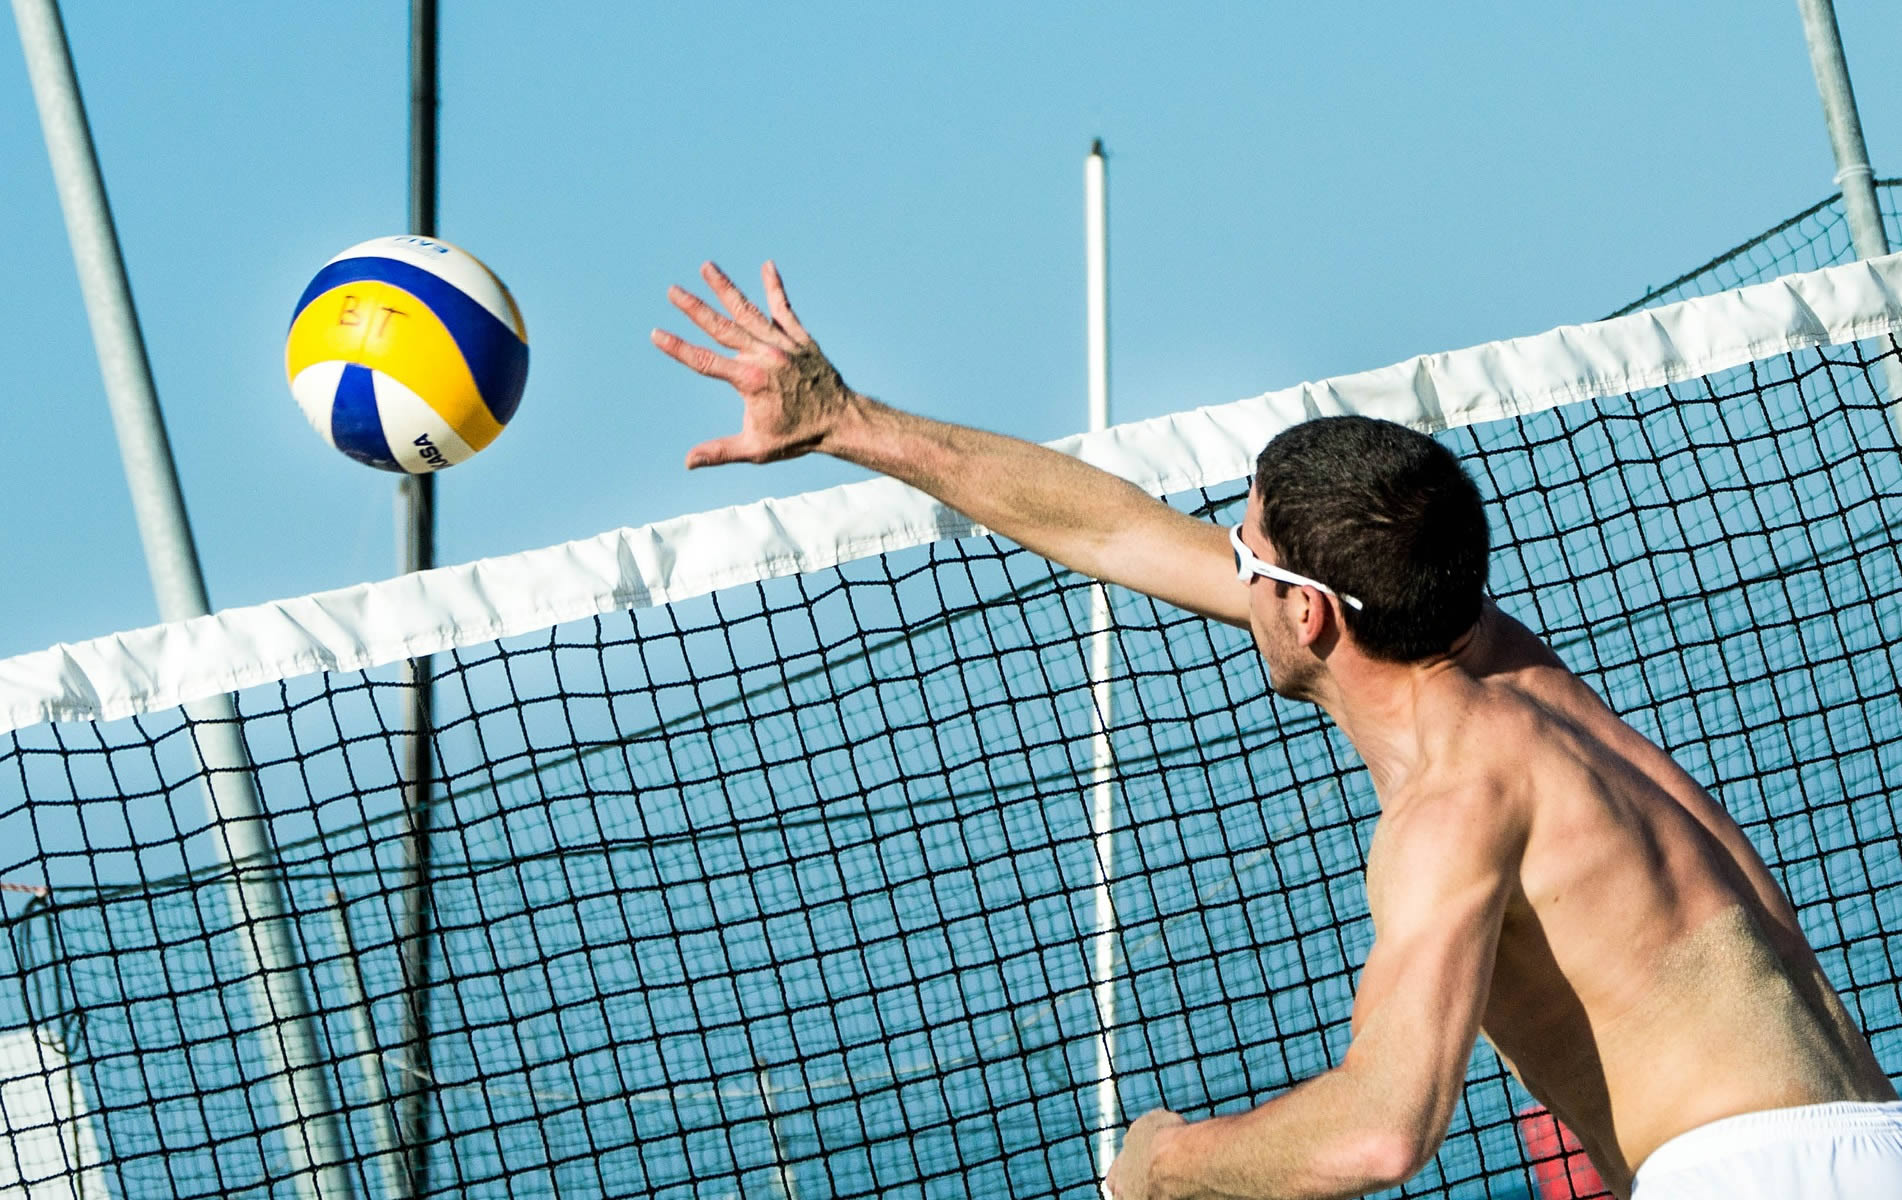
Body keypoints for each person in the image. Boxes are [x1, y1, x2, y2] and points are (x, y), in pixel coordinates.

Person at [651, 261, 1902, 1200]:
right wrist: (850, 421)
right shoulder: (1502, 662)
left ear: (1308, 614)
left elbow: (1383, 1129)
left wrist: (1166, 1168)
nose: (1224, 567)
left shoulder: (1456, 806)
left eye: (1243, 554)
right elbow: (1117, 532)